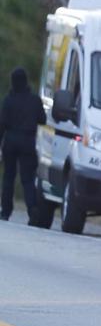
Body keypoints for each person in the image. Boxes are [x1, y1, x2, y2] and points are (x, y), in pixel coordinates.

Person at [1, 66, 48, 222]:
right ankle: (32, 209)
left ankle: (5, 211)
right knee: (27, 178)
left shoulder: (8, 100)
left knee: (8, 177)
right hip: (28, 141)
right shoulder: (34, 100)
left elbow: (2, 124)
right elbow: (42, 119)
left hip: (11, 140)